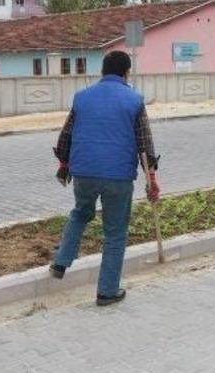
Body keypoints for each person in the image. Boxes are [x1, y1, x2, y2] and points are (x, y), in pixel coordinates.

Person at [49, 50, 160, 307]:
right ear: (127, 73)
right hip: (118, 176)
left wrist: (64, 165)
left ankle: (61, 262)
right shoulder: (134, 100)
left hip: (84, 172)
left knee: (80, 213)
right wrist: (152, 179)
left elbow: (65, 137)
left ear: (102, 71)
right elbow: (145, 145)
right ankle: (107, 291)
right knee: (115, 232)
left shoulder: (82, 97)